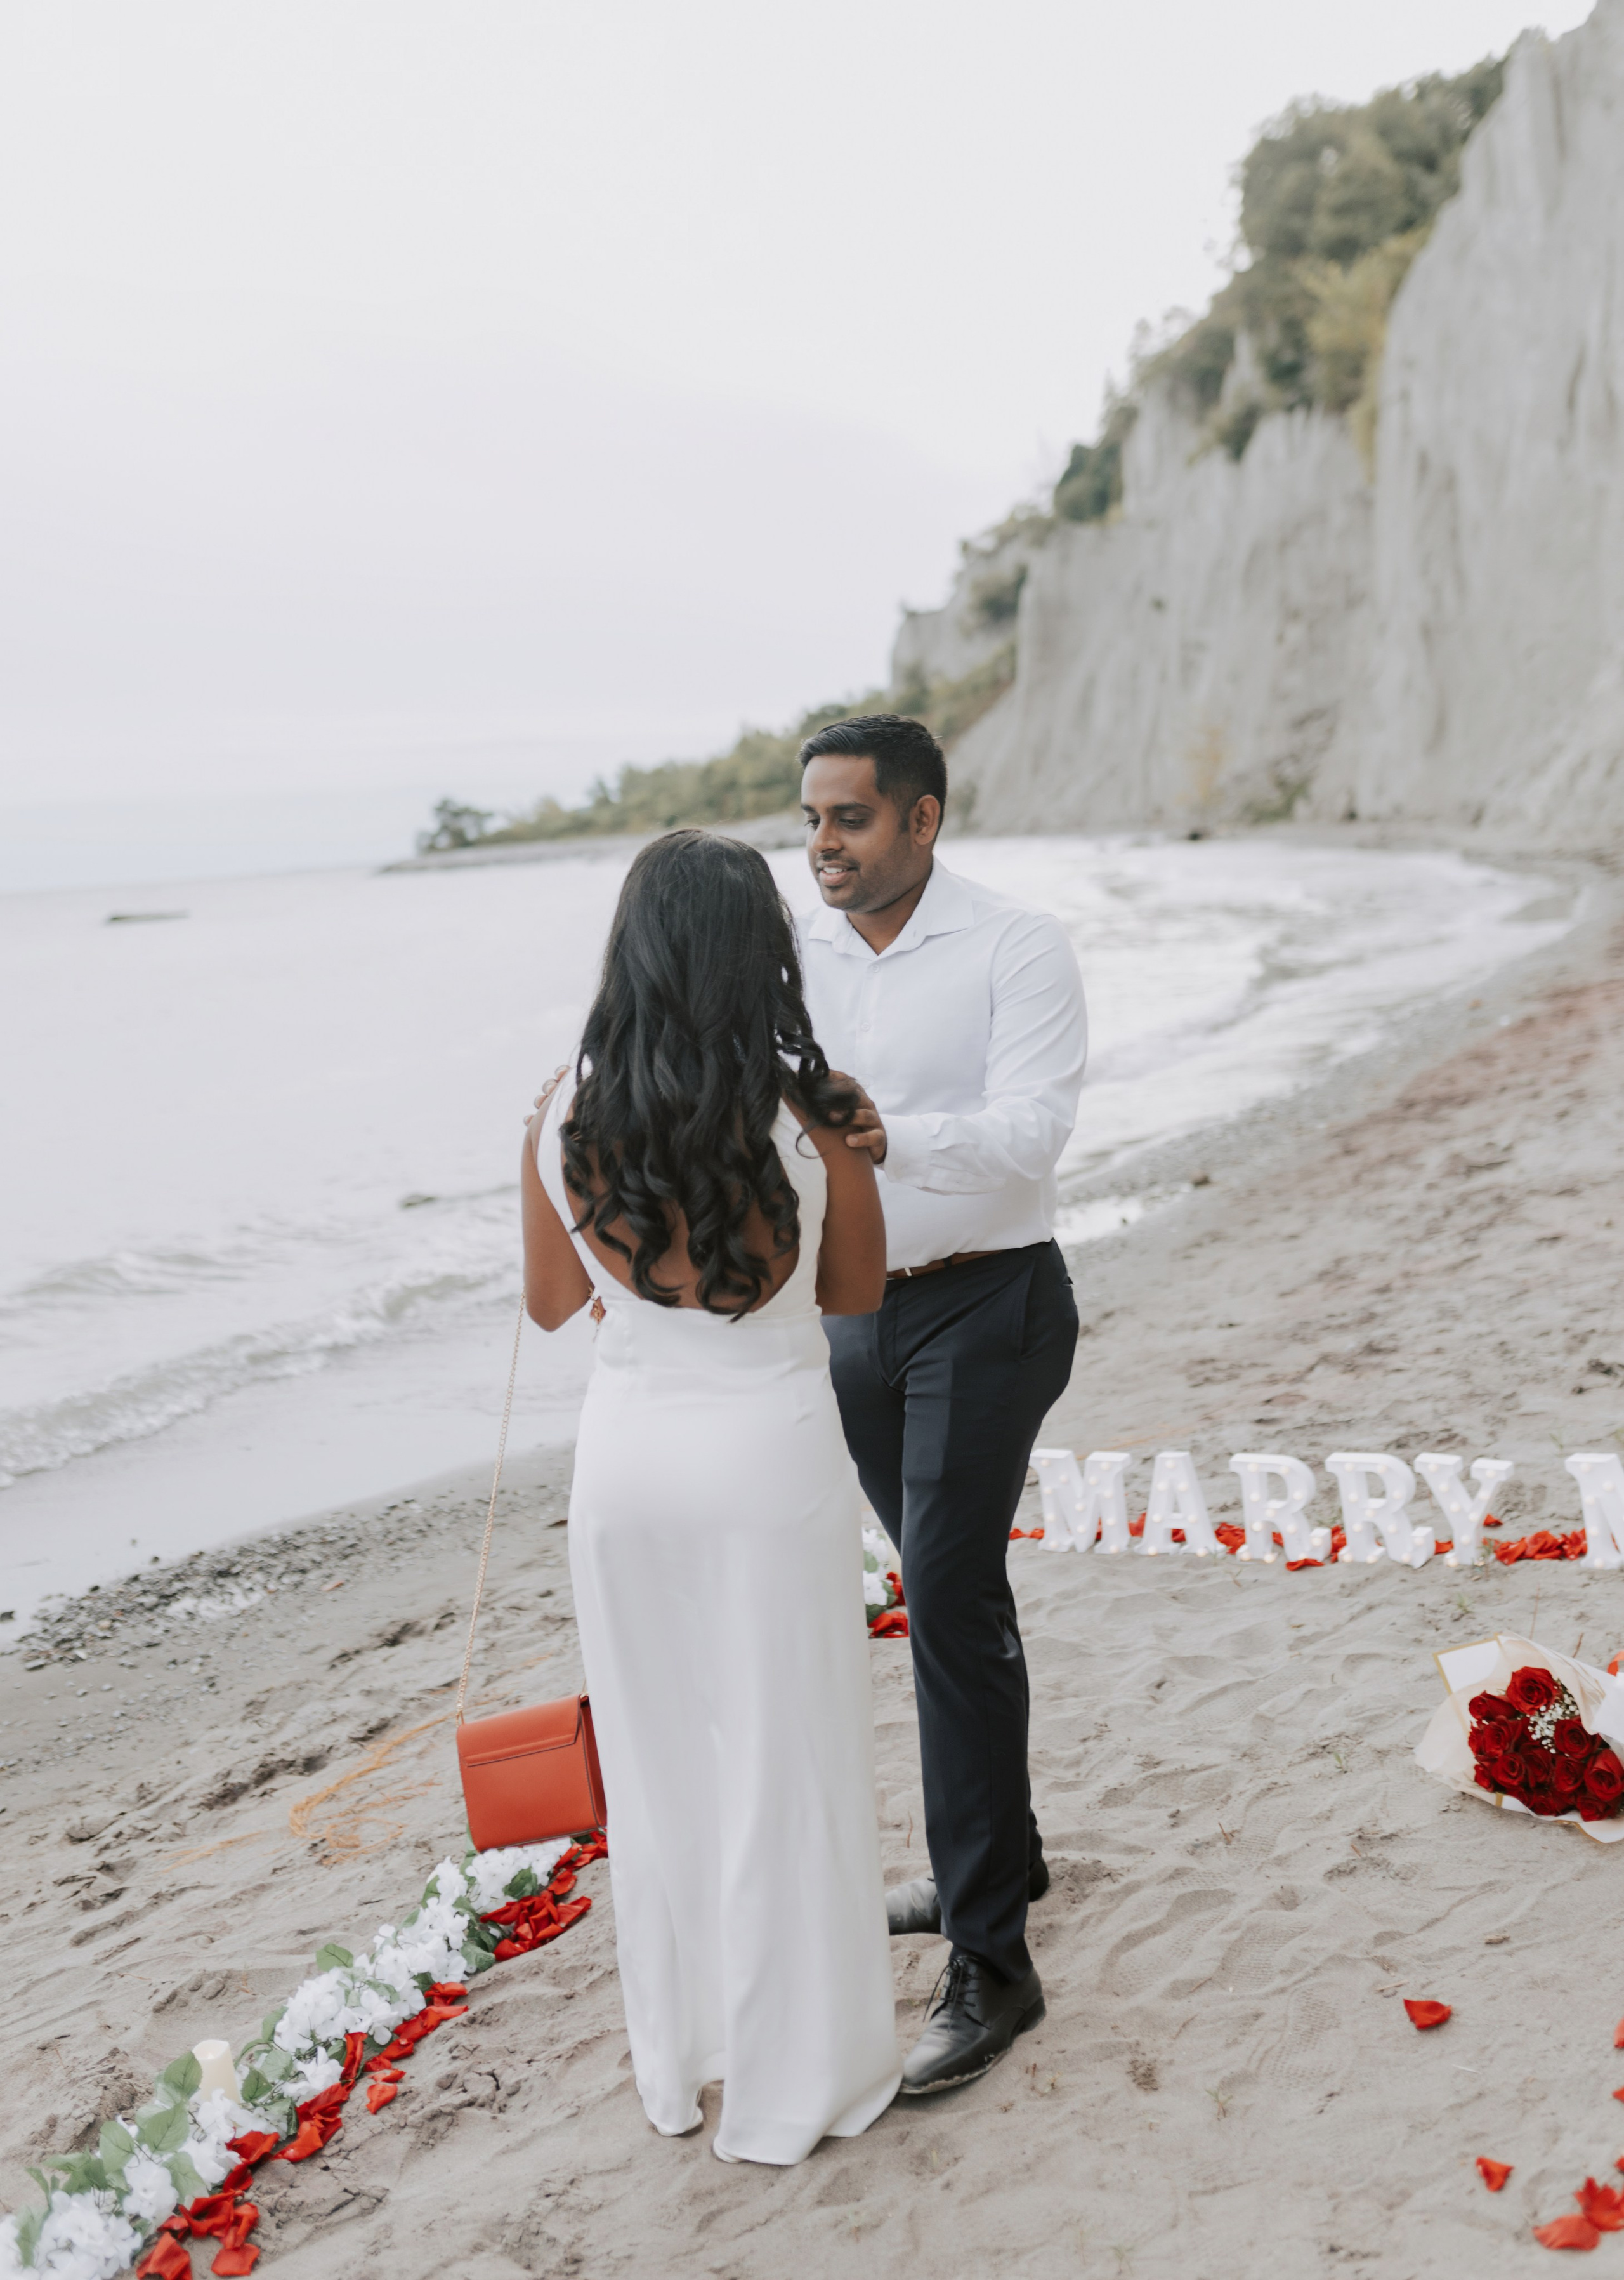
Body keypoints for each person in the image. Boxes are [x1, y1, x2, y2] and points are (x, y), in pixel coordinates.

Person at [519, 829, 902, 2166]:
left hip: (628, 1464)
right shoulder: (813, 1115)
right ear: (760, 954)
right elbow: (852, 1296)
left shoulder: (559, 1112)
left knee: (660, 1760)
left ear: (631, 948)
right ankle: (803, 2074)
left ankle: (685, 2065)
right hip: (770, 1456)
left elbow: (554, 1304)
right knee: (787, 1763)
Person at [797, 713, 1087, 2097]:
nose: (822, 848)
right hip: (851, 1316)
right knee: (945, 1587)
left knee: (946, 1598)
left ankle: (993, 1958)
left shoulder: (1015, 946)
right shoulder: (790, 961)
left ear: (920, 819)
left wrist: (887, 1136)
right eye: (808, 822)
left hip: (992, 1301)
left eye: (848, 820)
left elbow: (1034, 1129)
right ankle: (1007, 1852)